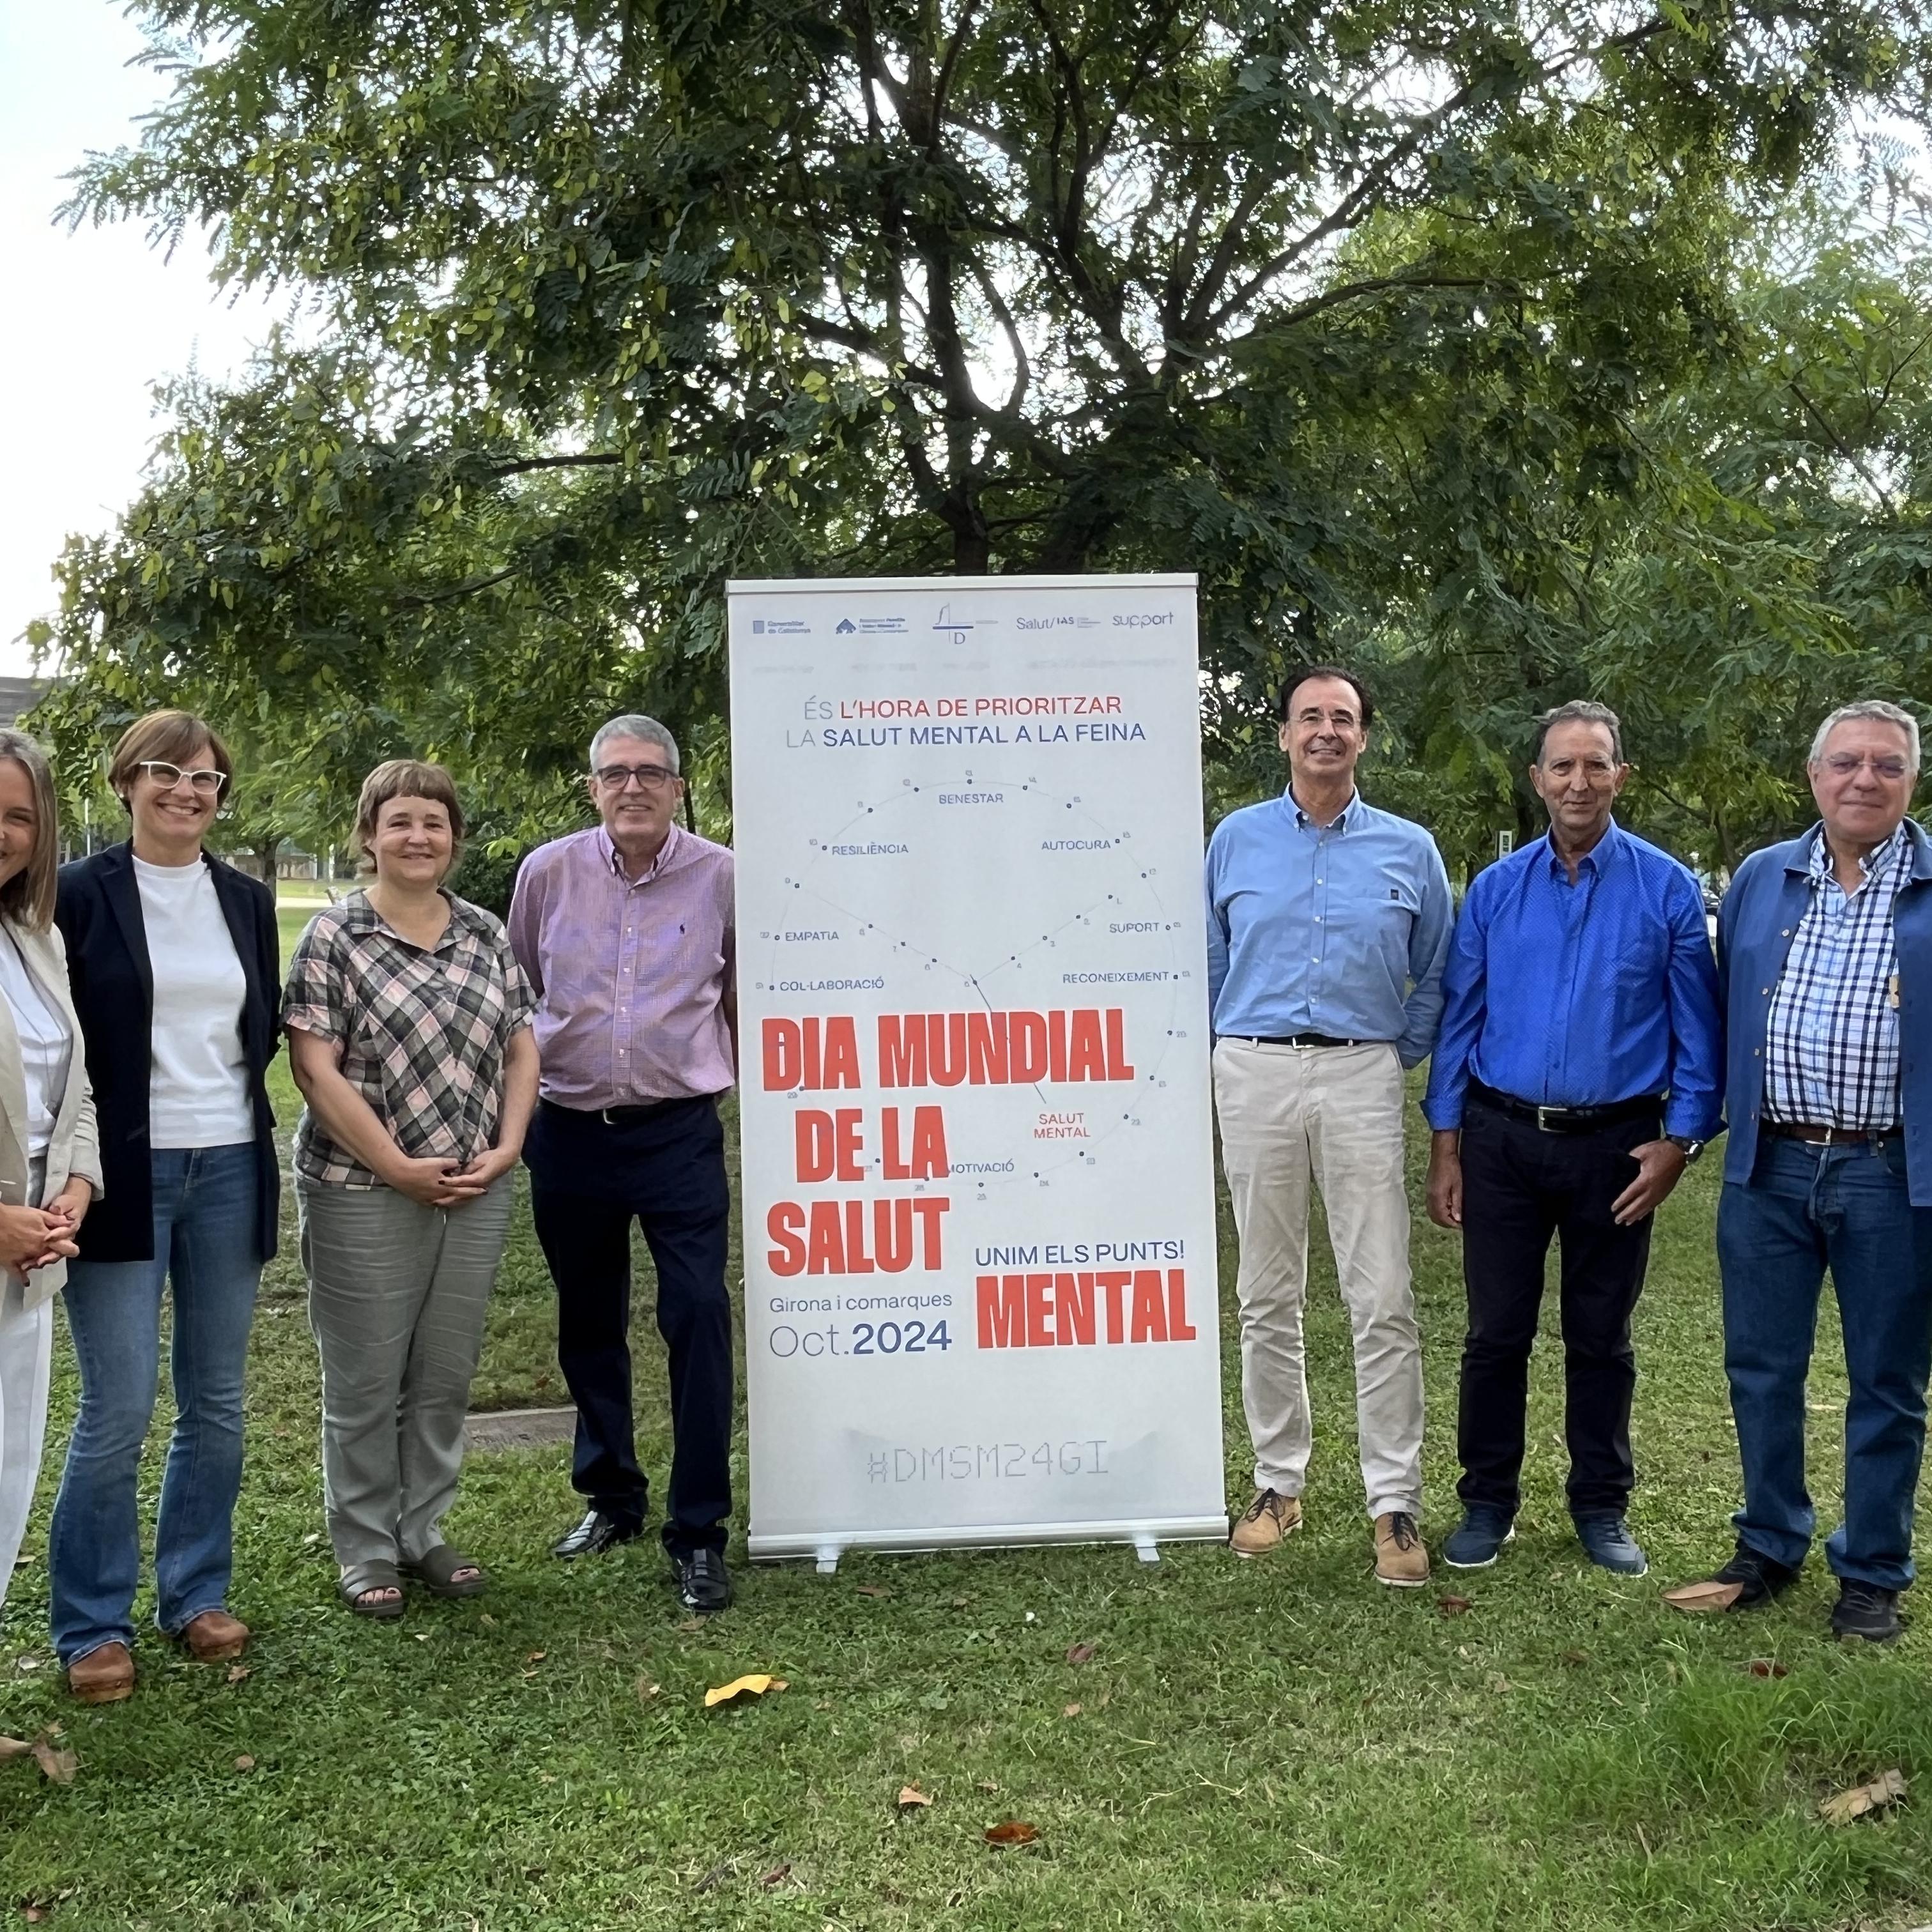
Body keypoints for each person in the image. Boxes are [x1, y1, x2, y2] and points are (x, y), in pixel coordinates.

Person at [1422, 701, 1722, 1577]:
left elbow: (1698, 1033)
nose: (1579, 783)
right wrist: (1446, 1144)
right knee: (1495, 1334)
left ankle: (1600, 1505)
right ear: (1538, 779)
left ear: (1621, 777)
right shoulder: (1494, 891)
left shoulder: (1666, 888)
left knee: (1601, 1336)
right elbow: (1460, 1020)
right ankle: (1487, 1501)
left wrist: (1683, 1142)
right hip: (1502, 1141)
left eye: (1596, 766)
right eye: (1562, 767)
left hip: (1617, 1148)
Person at [1667, 700, 1932, 1643]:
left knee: (1887, 1381)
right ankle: (1771, 1540)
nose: (1865, 779)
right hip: (1770, 1164)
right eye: (1847, 763)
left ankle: (1872, 1571)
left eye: (1887, 766)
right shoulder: (1761, 880)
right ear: (1814, 776)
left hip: (1889, 1173)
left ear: (1912, 779)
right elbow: (1721, 1006)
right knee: (1761, 1368)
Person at [50, 710, 281, 1704]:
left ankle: (195, 1593)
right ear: (124, 783)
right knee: (119, 1404)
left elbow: (258, 1033)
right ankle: (91, 1624)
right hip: (119, 1174)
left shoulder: (248, 900)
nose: (186, 792)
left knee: (218, 1401)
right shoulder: (74, 897)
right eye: (164, 773)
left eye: (206, 780)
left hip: (229, 1162)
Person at [1205, 666, 1453, 1586]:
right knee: (1266, 1292)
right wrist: (1228, 1048)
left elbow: (1436, 967)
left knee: (1380, 1293)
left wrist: (1399, 1052)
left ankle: (1395, 1504)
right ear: (1282, 736)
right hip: (1255, 1066)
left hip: (1360, 1068)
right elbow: (1209, 955)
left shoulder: (1408, 847)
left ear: (1363, 738)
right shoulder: (1233, 841)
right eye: (1309, 716)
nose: (1325, 731)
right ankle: (1279, 1483)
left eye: (1342, 718)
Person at [284, 761, 539, 1618]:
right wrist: (394, 1164)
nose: (417, 836)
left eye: (434, 821)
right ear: (369, 836)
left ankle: (421, 1529)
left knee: (441, 1374)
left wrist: (507, 1147)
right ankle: (364, 1548)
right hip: (362, 1188)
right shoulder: (335, 937)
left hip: (474, 1187)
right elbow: (314, 1067)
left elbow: (519, 1046)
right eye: (399, 822)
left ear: (454, 838)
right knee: (364, 1380)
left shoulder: (484, 934)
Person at [507, 714, 737, 1614]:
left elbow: (743, 990)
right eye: (615, 774)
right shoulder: (547, 873)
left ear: (678, 788)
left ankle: (700, 1529)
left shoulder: (721, 875)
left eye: (650, 773)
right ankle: (612, 1496)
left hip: (677, 1131)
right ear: (593, 787)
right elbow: (527, 983)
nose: (632, 787)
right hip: (568, 1130)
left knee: (698, 1313)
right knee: (588, 1319)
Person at [0, 732, 100, 1621]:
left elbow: (77, 1089)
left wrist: (75, 1188)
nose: (0, 831)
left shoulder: (35, 939)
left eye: (18, 816)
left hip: (37, 1246)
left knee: (8, 1468)